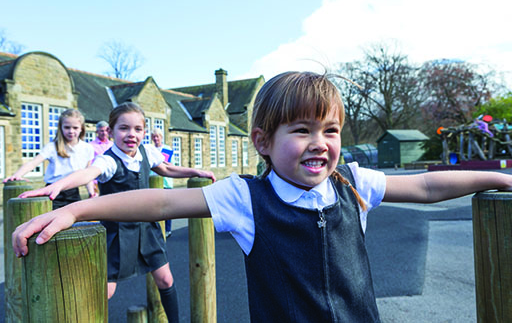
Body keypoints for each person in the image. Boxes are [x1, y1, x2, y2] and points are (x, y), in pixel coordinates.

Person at [12, 72, 512, 322]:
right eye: (302, 129)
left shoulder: (352, 183)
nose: (320, 141)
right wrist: (76, 207)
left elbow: (427, 186)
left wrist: (501, 179)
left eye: (331, 129)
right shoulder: (247, 198)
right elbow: (160, 204)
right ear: (263, 142)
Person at [15, 102, 216, 323]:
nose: (132, 134)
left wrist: (195, 171)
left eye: (138, 129)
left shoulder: (146, 152)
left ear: (144, 132)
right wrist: (58, 185)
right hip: (117, 234)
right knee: (106, 291)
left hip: (147, 230)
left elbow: (167, 168)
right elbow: (88, 173)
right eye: (124, 128)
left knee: (166, 280)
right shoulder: (108, 160)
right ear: (111, 132)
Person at [3, 108, 95, 209]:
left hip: (73, 192)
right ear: (61, 127)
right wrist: (17, 175)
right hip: (52, 192)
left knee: (76, 221)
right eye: (67, 127)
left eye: (75, 128)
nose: (71, 131)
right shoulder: (52, 147)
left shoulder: (87, 148)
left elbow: (88, 174)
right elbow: (33, 163)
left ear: (81, 128)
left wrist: (91, 192)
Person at [151, 128, 174, 237]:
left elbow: (168, 165)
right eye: (154, 137)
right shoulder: (151, 149)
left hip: (165, 182)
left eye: (157, 136)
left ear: (161, 137)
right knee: (154, 207)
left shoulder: (166, 149)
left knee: (167, 207)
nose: (156, 139)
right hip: (153, 181)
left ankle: (167, 229)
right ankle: (157, 229)